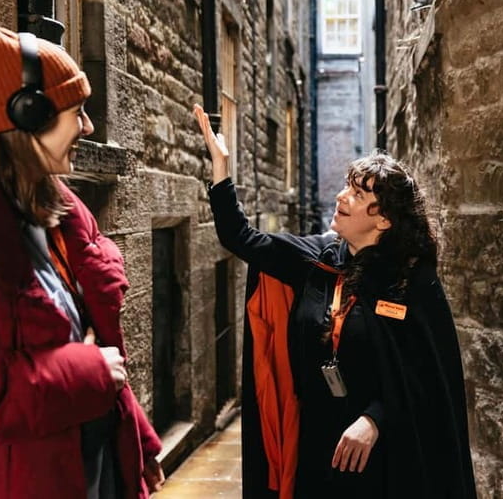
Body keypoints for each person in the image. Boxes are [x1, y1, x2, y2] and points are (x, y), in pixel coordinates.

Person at [0, 25, 165, 499]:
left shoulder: (60, 221)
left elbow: (92, 346)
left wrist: (137, 441)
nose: (89, 127)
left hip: (92, 471)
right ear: (26, 115)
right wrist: (87, 373)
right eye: (77, 112)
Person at [193, 104, 477, 498]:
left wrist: (375, 419)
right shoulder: (318, 260)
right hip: (315, 447)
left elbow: (425, 375)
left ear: (384, 219)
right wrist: (221, 171)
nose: (342, 196)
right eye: (347, 186)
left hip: (383, 461)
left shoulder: (411, 282)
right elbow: (241, 238)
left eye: (357, 194)